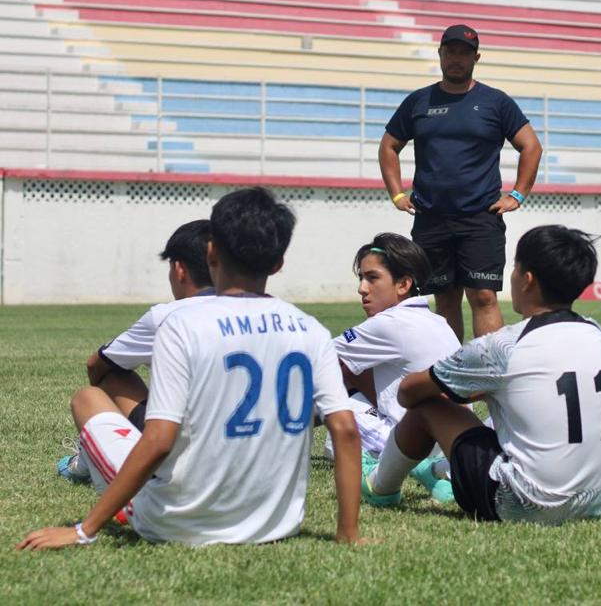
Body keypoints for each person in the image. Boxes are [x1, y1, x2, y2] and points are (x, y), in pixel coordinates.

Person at [19, 187, 365, 549]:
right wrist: (348, 534)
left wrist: (82, 530)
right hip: (274, 525)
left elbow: (159, 439)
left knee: (88, 398)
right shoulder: (310, 328)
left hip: (174, 523)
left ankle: (93, 473)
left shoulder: (182, 324)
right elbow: (344, 430)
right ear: (278, 263)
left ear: (212, 252)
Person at [361, 225, 601, 525]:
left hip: (529, 504)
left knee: (429, 405)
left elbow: (409, 391)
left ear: (526, 280)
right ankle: (437, 470)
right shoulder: (597, 333)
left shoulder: (503, 346)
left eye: (514, 268)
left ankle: (379, 487)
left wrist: (471, 389)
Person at [379, 23, 543, 342]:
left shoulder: (496, 102)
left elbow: (531, 146)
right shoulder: (419, 101)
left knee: (483, 296)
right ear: (440, 55)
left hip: (481, 218)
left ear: (476, 58)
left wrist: (518, 195)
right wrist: (397, 194)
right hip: (431, 219)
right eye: (450, 51)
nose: (456, 58)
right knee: (445, 298)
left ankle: (487, 376)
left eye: (464, 53)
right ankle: (451, 379)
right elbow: (389, 145)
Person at [58, 219, 214, 483]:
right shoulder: (266, 315)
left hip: (177, 451)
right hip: (244, 451)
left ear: (179, 270)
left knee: (93, 392)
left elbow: (96, 364)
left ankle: (93, 456)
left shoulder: (168, 316)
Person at [331, 232, 461, 501]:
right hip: (449, 441)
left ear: (403, 284)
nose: (362, 288)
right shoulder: (437, 320)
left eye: (372, 277)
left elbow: (316, 357)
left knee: (334, 425)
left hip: (412, 440)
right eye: (361, 278)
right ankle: (426, 470)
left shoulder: (388, 323)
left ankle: (391, 469)